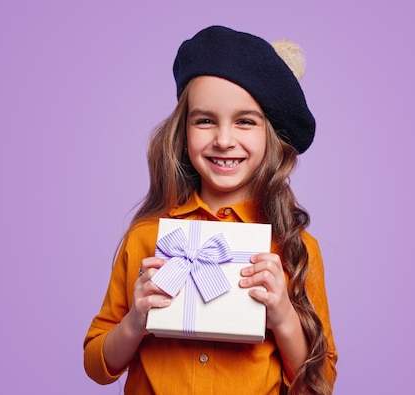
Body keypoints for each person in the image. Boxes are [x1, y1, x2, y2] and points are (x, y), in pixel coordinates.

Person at [84, 25, 337, 394]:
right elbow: (96, 364)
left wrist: (283, 317)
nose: (223, 139)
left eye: (245, 121)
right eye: (204, 120)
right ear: (182, 133)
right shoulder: (146, 239)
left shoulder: (295, 250)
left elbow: (321, 382)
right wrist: (136, 321)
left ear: (272, 136)